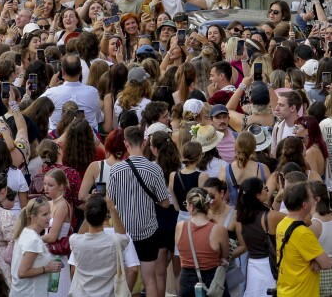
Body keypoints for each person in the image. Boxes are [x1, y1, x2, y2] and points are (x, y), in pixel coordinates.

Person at [108, 126, 169, 297]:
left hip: (123, 231)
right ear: (144, 142)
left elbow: (110, 201)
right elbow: (164, 203)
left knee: (124, 277)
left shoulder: (116, 170)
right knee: (150, 280)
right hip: (148, 230)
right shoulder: (155, 169)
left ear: (125, 143)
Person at [276, 181, 332, 296]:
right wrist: (319, 260)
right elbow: (326, 263)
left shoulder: (282, 223)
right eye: (311, 197)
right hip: (302, 292)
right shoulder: (303, 233)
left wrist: (315, 259)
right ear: (304, 205)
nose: (314, 200)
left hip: (287, 290)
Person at [68, 195, 130, 296]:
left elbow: (80, 233)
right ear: (106, 215)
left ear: (86, 215)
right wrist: (112, 209)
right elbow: (123, 236)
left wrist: (90, 207)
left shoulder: (75, 241)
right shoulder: (116, 242)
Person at [175, 187, 229, 297]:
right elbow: (224, 256)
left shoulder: (180, 226)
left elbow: (182, 251)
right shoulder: (218, 229)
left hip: (186, 280)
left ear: (190, 206)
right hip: (211, 280)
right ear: (208, 205)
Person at [10, 197, 62, 297]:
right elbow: (22, 272)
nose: (49, 217)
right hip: (30, 293)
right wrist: (48, 268)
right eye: (44, 214)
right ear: (33, 217)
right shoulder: (34, 240)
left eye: (49, 213)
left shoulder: (26, 232)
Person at [41, 54, 101, 131]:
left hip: (59, 140)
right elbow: (98, 118)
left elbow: (36, 109)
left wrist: (49, 87)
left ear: (62, 72)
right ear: (80, 70)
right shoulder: (93, 92)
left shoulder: (51, 92)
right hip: (87, 138)